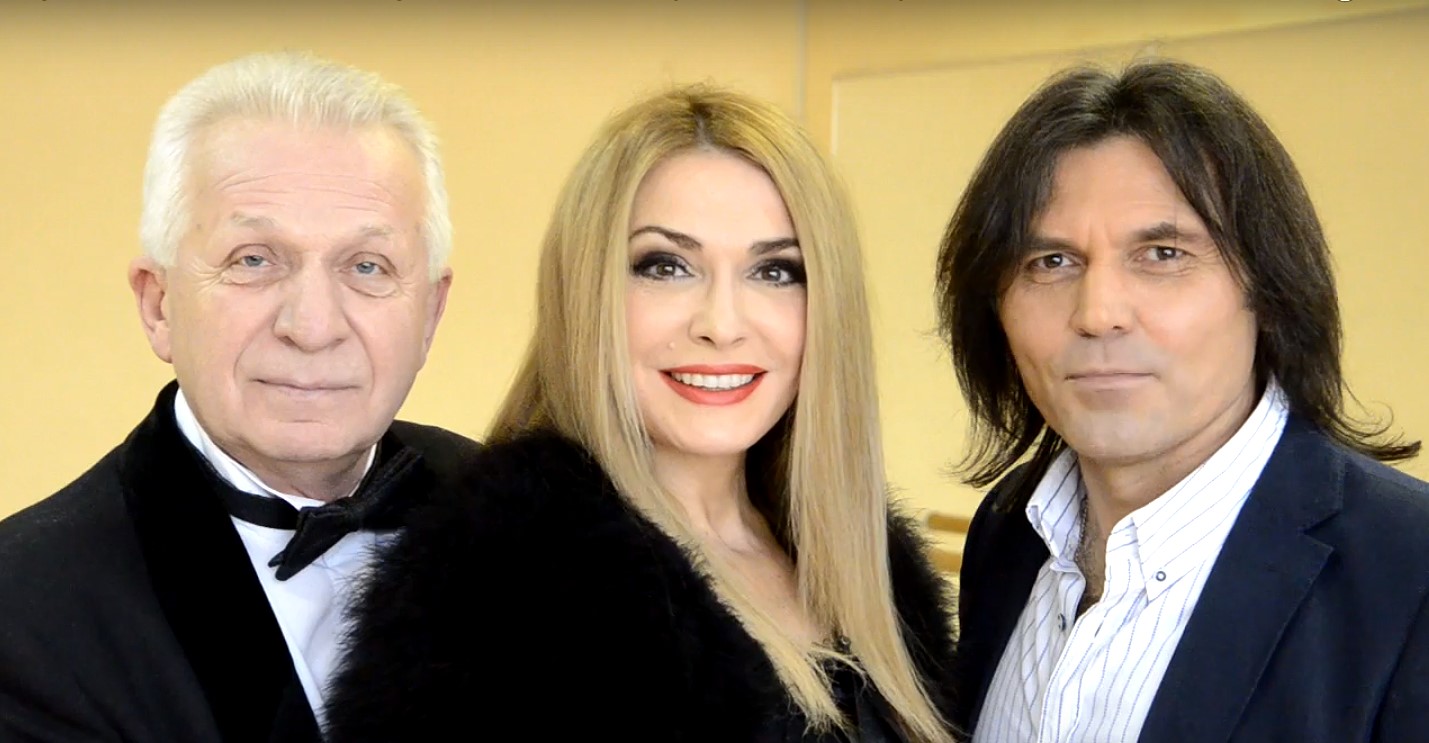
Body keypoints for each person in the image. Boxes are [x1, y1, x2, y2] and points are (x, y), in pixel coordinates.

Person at [323, 85, 960, 742]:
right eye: (666, 266)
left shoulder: (874, 573)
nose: (722, 324)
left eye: (774, 271)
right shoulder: (493, 590)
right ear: (587, 292)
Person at [937, 59, 1429, 742]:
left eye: (1162, 254)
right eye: (1051, 262)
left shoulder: (1409, 572)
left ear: (1268, 290)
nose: (1098, 313)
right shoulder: (1008, 531)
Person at [0, 52, 477, 742]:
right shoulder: (22, 610)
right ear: (159, 304)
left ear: (430, 313)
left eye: (367, 266)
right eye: (253, 259)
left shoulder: (523, 518)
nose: (312, 326)